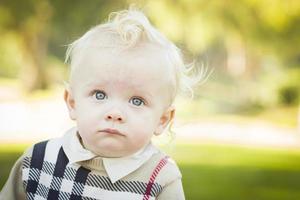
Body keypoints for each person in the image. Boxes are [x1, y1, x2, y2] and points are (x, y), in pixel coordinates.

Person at [1, 8, 204, 200]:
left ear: (162, 119)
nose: (115, 113)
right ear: (73, 103)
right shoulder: (38, 161)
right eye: (99, 95)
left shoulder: (160, 178)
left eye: (137, 101)